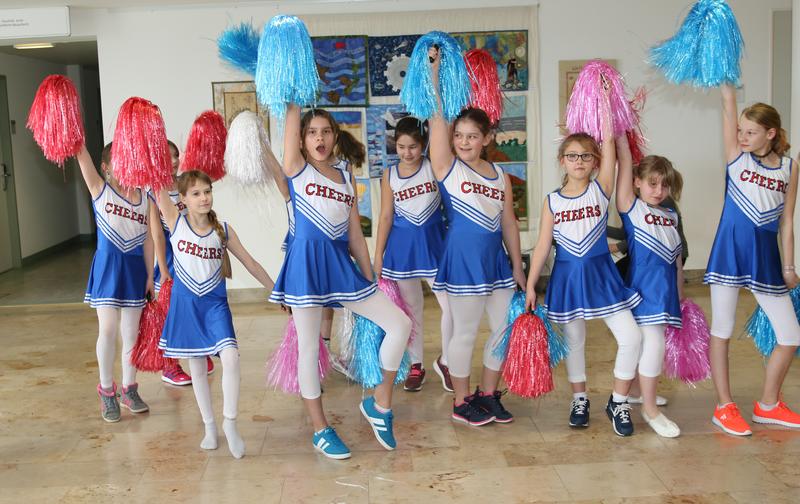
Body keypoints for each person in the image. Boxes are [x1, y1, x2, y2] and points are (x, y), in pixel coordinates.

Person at [270, 105, 411, 459]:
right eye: (311, 132)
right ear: (301, 140)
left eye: (325, 131)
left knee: (400, 324)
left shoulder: (346, 176)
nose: (319, 138)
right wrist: (294, 97)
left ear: (335, 136)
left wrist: (369, 275)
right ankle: (320, 430)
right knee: (308, 347)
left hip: (339, 264)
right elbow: (290, 134)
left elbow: (354, 234)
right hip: (305, 266)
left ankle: (380, 403)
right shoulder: (296, 169)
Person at [524, 94, 644, 436]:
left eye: (586, 156)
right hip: (567, 279)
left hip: (602, 277)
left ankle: (618, 401)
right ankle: (580, 399)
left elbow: (608, 142)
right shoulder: (552, 201)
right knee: (574, 342)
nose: (579, 161)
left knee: (631, 336)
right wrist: (531, 285)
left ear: (595, 162)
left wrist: (604, 101)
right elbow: (543, 245)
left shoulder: (600, 189)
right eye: (572, 156)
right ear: (562, 160)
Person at [428, 50, 525, 426]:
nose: (464, 142)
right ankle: (461, 400)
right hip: (463, 263)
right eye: (459, 136)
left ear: (487, 138)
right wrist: (436, 77)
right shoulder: (447, 167)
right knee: (465, 332)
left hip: (496, 263)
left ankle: (487, 394)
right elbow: (437, 120)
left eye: (472, 136)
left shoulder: (500, 175)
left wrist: (518, 266)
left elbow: (509, 223)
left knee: (503, 330)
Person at [157, 169, 275, 458]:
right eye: (196, 193)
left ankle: (230, 423)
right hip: (186, 305)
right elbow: (156, 182)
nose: (204, 198)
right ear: (182, 199)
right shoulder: (175, 222)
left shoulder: (223, 229)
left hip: (215, 305)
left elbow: (250, 262)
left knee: (231, 358)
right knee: (197, 368)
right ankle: (209, 426)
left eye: (207, 191)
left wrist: (276, 290)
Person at [704, 84, 800, 436]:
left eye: (751, 132)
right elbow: (728, 103)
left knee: (790, 335)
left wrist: (789, 266)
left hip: (766, 258)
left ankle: (768, 404)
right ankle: (724, 406)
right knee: (722, 328)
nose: (742, 137)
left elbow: (787, 221)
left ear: (770, 133)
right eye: (740, 130)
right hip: (729, 253)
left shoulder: (790, 166)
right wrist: (725, 79)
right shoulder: (737, 157)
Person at [373, 116, 452, 392]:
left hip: (434, 245)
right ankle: (416, 364)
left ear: (424, 144)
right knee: (411, 309)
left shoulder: (434, 167)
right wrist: (378, 255)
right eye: (401, 147)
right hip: (402, 249)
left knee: (450, 306)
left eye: (413, 147)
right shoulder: (390, 175)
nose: (407, 153)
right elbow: (385, 216)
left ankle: (447, 361)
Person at [75, 142, 153, 423]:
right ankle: (106, 390)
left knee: (131, 333)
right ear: (106, 167)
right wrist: (73, 132)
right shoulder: (100, 189)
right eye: (119, 160)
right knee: (108, 329)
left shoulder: (144, 197)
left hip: (135, 270)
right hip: (108, 268)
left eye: (129, 158)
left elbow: (148, 239)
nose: (126, 164)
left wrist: (150, 276)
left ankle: (129, 389)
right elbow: (81, 154)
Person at [615, 137, 684, 438]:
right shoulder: (631, 208)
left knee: (648, 344)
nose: (658, 191)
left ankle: (635, 392)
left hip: (665, 292)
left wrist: (679, 293)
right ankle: (650, 409)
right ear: (637, 182)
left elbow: (677, 261)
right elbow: (623, 162)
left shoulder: (671, 215)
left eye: (664, 186)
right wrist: (621, 136)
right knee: (653, 344)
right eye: (652, 184)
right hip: (642, 291)